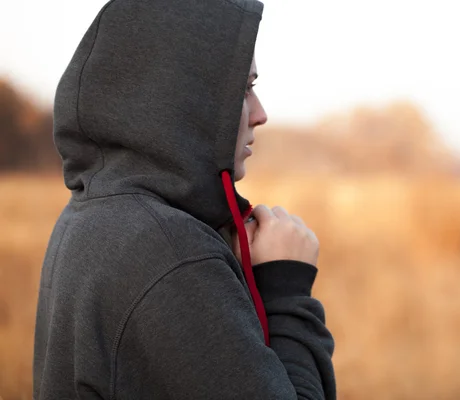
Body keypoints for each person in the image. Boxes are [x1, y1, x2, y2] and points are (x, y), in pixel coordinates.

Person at [32, 0, 336, 399]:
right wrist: (287, 287)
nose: (260, 114)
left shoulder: (93, 213)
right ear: (182, 100)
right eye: (244, 90)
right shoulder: (171, 255)